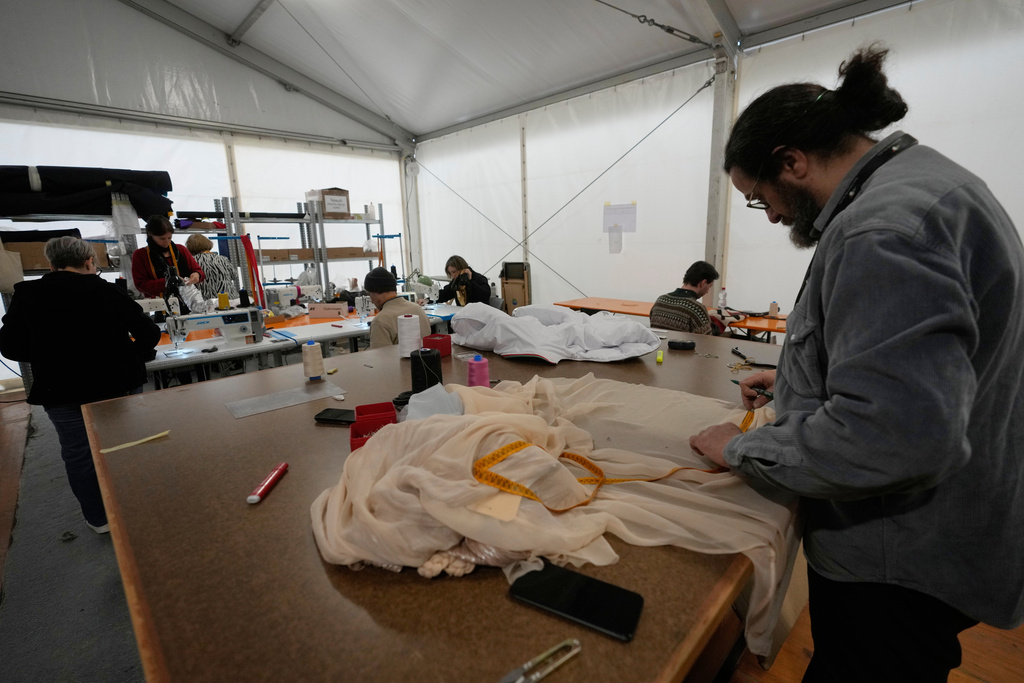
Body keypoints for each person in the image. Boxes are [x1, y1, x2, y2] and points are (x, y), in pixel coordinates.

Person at [688, 45, 1024, 681]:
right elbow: (923, 357)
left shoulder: (883, 229)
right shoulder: (934, 183)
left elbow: (896, 436)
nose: (777, 216)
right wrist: (798, 376)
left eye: (761, 197)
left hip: (898, 561)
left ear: (791, 161)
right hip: (954, 531)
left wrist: (738, 449)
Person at [0, 236, 161, 534]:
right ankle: (133, 509)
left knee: (77, 453)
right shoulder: (106, 290)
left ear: (52, 265)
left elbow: (9, 347)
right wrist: (129, 354)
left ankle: (99, 519)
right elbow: (149, 334)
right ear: (89, 261)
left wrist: (45, 356)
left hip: (59, 390)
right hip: (116, 385)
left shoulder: (28, 295)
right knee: (122, 446)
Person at [131, 215, 204, 311]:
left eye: (169, 238)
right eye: (162, 239)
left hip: (189, 303)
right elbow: (140, 284)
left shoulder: (180, 250)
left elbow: (198, 271)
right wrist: (167, 282)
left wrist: (196, 275)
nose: (167, 242)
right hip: (161, 306)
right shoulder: (141, 255)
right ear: (150, 235)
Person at [363, 267, 431, 350]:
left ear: (376, 291)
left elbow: (380, 360)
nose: (371, 300)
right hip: (427, 361)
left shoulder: (380, 321)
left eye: (370, 294)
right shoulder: (418, 309)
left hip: (400, 363)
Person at [649, 260, 719, 335]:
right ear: (703, 283)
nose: (708, 291)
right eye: (709, 286)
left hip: (659, 346)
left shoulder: (660, 300)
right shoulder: (697, 309)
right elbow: (707, 342)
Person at [185, 233, 240, 302]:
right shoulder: (222, 259)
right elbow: (234, 275)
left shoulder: (192, 261)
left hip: (209, 302)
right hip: (230, 300)